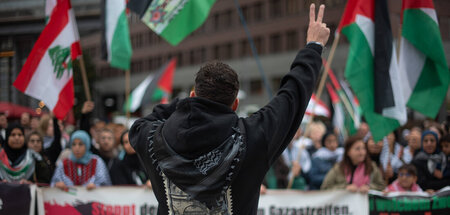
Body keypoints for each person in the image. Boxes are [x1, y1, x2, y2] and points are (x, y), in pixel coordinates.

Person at [129, 4, 329, 214]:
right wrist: (313, 47)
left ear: (192, 96)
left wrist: (186, 104)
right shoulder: (253, 138)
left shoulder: (152, 138)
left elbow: (140, 125)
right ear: (235, 104)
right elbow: (292, 97)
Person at [321, 136, 385, 192]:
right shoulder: (338, 168)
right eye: (357, 149)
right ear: (348, 152)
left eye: (363, 148)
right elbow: (325, 188)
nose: (362, 152)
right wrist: (344, 188)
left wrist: (369, 187)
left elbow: (381, 186)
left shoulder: (371, 166)